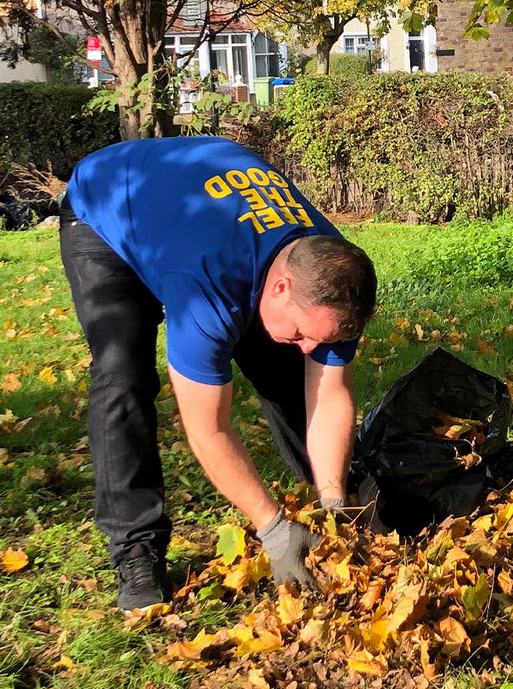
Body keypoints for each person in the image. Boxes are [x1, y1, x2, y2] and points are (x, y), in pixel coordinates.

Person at [60, 136, 377, 611]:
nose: (312, 347)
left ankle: (334, 504)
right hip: (106, 215)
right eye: (305, 332)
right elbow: (208, 428)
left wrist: (334, 502)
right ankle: (136, 550)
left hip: (205, 222)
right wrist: (271, 528)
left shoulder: (335, 279)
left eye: (320, 337)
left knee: (284, 365)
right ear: (282, 287)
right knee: (123, 375)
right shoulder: (207, 289)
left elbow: (329, 393)